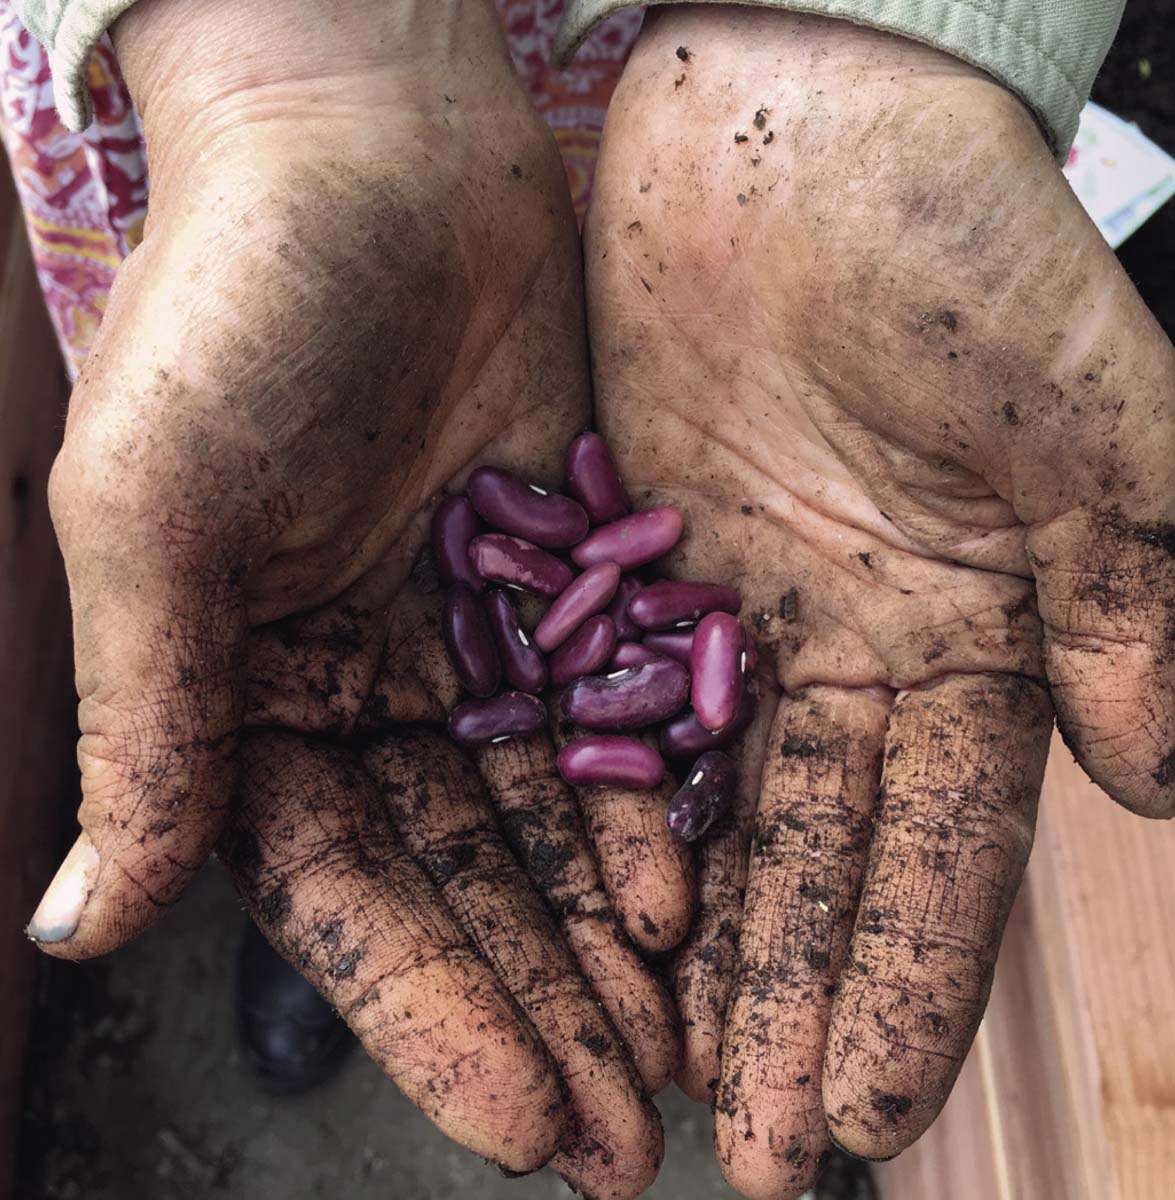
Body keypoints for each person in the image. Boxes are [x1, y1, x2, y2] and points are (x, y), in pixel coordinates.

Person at [15, 1, 1174, 1198]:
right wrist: (283, 79)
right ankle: (303, 954)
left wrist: (879, 33)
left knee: (387, 701)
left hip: (718, 161)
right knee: (314, 654)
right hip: (280, 98)